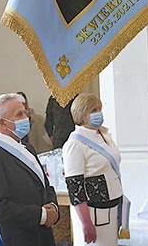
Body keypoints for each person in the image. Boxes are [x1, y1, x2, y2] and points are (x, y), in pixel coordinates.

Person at [0, 93, 59, 246]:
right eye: (19, 114)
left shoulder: (27, 147)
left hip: (42, 234)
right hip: (18, 237)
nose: (26, 117)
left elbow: (44, 184)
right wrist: (40, 215)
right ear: (2, 123)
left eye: (25, 112)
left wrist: (52, 207)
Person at [63, 93, 126, 246]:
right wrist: (86, 223)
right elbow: (75, 187)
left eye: (99, 108)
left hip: (111, 205)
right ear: (83, 114)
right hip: (93, 212)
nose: (99, 113)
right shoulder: (75, 143)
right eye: (94, 110)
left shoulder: (103, 135)